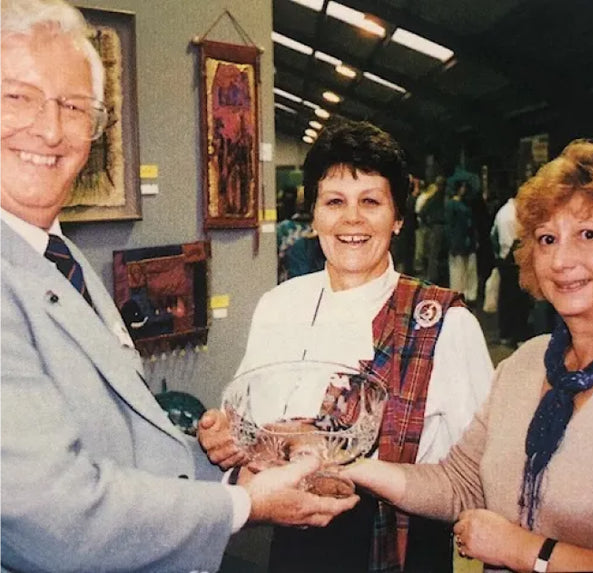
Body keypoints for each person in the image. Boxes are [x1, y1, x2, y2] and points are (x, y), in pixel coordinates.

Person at [0, 2, 358, 571]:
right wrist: (241, 504)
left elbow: (109, 439)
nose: (49, 127)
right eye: (17, 96)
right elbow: (55, 517)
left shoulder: (58, 253)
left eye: (72, 106)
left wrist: (219, 461)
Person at [199, 119, 493, 573]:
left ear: (397, 219)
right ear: (313, 216)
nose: (351, 219)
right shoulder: (280, 304)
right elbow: (246, 425)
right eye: (334, 202)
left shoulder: (445, 325)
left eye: (371, 202)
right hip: (290, 545)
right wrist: (223, 438)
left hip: (399, 551)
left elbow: (479, 480)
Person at [342, 138, 593, 573]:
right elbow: (459, 482)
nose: (562, 259)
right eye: (547, 238)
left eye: (588, 234)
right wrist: (346, 463)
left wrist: (524, 551)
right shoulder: (524, 365)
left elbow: (516, 544)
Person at [490, 190, 531, 347]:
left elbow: (493, 235)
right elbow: (516, 239)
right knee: (516, 300)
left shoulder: (503, 212)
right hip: (512, 261)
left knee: (506, 299)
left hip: (504, 259)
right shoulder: (511, 216)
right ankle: (516, 334)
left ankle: (506, 332)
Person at [446, 179, 478, 305]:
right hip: (461, 240)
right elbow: (450, 226)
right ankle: (464, 293)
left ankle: (464, 293)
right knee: (462, 269)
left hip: (462, 240)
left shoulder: (456, 205)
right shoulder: (457, 205)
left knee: (463, 269)